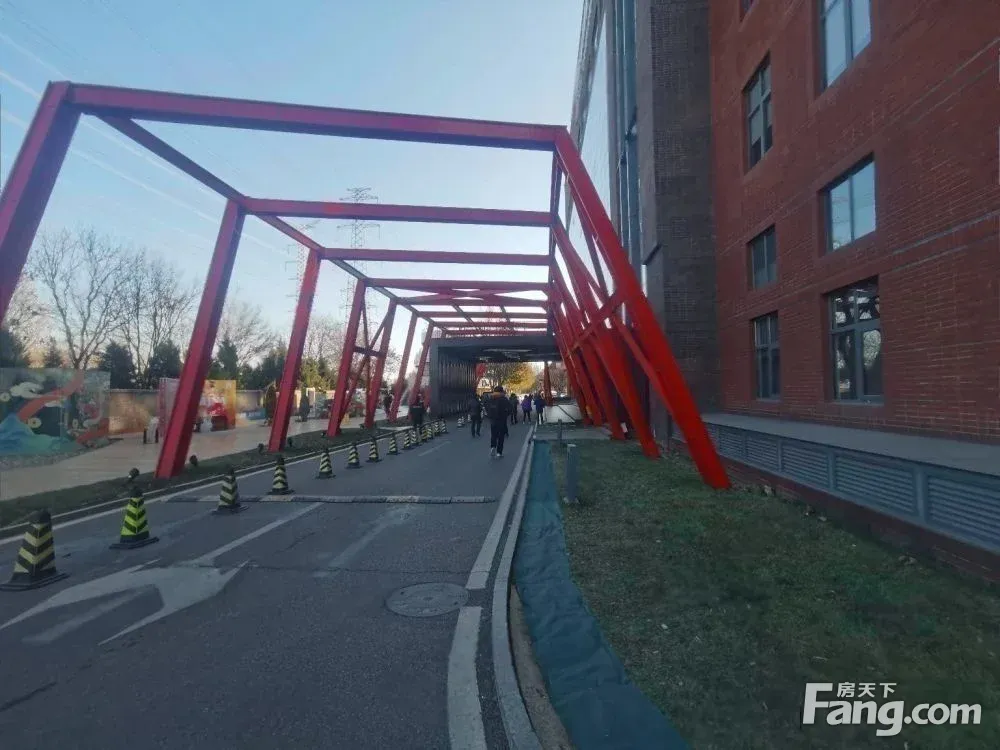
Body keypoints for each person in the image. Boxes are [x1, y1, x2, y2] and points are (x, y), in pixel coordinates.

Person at [485, 385, 512, 458]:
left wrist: (490, 416)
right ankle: (499, 452)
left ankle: (493, 446)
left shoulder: (490, 398)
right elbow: (510, 408)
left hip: (492, 420)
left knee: (493, 435)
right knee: (501, 436)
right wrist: (506, 414)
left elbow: (486, 407)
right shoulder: (503, 399)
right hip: (501, 420)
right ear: (501, 391)